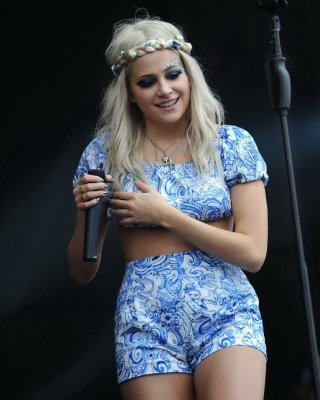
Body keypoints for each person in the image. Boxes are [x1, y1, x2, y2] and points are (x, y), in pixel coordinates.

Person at [67, 12, 269, 400]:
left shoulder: (230, 144)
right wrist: (84, 214)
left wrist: (165, 216)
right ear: (129, 91)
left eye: (172, 74)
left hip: (225, 312)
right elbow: (81, 272)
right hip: (146, 321)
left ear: (189, 75)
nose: (164, 89)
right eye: (147, 81)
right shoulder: (105, 153)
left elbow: (253, 253)